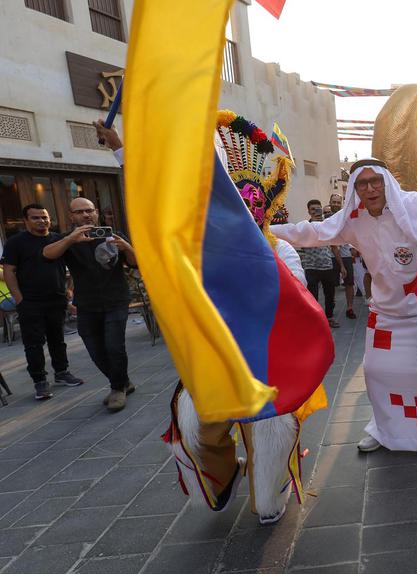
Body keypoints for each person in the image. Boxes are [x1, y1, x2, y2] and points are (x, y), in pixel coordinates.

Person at [97, 113, 311, 524]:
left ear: (263, 213)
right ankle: (227, 473)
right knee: (191, 430)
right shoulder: (200, 253)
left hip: (270, 370)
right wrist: (122, 151)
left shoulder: (282, 252)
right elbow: (156, 208)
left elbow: (295, 306)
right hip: (215, 366)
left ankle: (271, 484)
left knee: (268, 502)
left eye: (250, 212)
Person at [271, 159, 417, 465]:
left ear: (388, 182)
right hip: (385, 315)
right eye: (362, 183)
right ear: (355, 188)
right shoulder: (352, 220)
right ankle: (386, 430)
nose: (370, 189)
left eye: (376, 182)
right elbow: (310, 232)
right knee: (376, 373)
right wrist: (264, 229)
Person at [41, 198, 137, 410]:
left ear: (96, 213)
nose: (86, 215)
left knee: (114, 346)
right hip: (86, 304)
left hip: (116, 300)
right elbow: (47, 254)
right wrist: (71, 240)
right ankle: (123, 382)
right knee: (95, 350)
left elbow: (135, 262)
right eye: (80, 212)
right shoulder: (67, 239)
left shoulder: (114, 234)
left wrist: (127, 247)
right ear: (71, 216)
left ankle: (117, 388)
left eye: (89, 210)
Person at [0, 204, 84, 400]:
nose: (42, 221)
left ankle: (62, 373)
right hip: (30, 301)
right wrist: (19, 298)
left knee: (58, 339)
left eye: (44, 217)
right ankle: (40, 382)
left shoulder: (58, 239)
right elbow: (9, 271)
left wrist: (69, 288)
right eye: (36, 218)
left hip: (56, 298)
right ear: (26, 221)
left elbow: (71, 266)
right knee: (33, 344)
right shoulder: (16, 242)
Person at [299, 200, 342, 328]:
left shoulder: (326, 225)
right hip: (311, 266)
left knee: (330, 295)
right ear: (308, 211)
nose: (316, 211)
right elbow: (301, 243)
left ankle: (329, 317)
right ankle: (315, 320)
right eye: (313, 209)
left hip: (327, 265)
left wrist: (341, 265)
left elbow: (334, 245)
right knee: (312, 296)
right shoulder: (305, 226)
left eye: (318, 209)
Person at [330, 194, 358, 319]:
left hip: (345, 254)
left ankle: (349, 307)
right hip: (330, 256)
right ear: (330, 202)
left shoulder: (346, 216)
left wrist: (353, 247)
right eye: (333, 202)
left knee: (349, 283)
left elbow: (353, 232)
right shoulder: (325, 217)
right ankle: (331, 306)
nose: (335, 204)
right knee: (331, 285)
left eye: (338, 202)